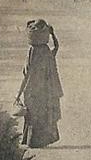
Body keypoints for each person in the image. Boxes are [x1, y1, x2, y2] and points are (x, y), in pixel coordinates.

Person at [15, 19, 64, 148]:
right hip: (45, 90)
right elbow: (56, 47)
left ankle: (31, 141)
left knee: (32, 115)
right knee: (44, 115)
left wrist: (19, 93)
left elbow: (27, 73)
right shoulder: (46, 51)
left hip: (32, 89)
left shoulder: (33, 50)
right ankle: (41, 141)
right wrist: (53, 34)